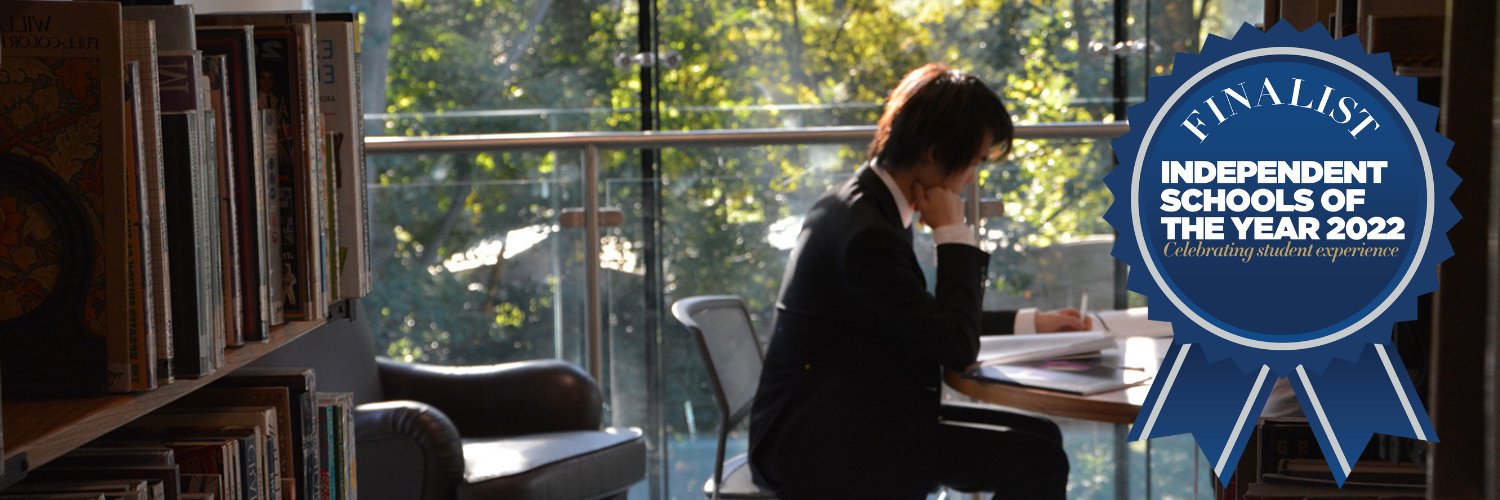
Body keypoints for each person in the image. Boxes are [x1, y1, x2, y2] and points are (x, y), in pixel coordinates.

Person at [749, 64, 1080, 499]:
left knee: (1040, 439)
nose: (970, 181)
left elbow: (922, 318)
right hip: (825, 442)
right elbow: (953, 344)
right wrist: (952, 234)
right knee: (1037, 460)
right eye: (973, 162)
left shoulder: (869, 203)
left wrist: (1031, 322)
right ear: (934, 152)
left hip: (848, 416)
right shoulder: (868, 234)